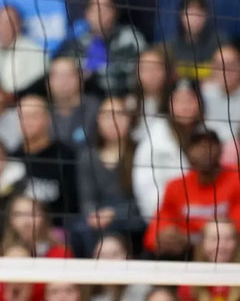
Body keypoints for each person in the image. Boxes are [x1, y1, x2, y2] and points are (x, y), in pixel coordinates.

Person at [143, 129, 240, 259]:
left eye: (210, 144)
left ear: (221, 149)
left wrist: (191, 239)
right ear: (188, 153)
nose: (204, 150)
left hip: (229, 252)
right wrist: (163, 237)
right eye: (197, 146)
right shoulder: (176, 186)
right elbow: (154, 232)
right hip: (186, 253)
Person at [71, 97, 144, 258]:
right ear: (98, 121)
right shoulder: (87, 156)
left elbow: (144, 200)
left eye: (118, 115)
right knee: (79, 230)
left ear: (129, 119)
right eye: (106, 116)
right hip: (98, 221)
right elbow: (86, 199)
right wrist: (94, 215)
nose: (113, 121)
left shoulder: (141, 152)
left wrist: (113, 214)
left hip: (131, 218)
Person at [133, 82, 206, 218]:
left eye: (190, 99)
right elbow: (146, 187)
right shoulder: (155, 138)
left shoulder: (209, 133)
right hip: (167, 215)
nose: (185, 106)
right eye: (178, 100)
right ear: (168, 104)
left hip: (206, 211)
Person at [56, 0, 147, 97]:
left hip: (123, 99)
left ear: (115, 12)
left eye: (105, 8)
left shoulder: (130, 38)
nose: (100, 14)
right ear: (86, 14)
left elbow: (131, 76)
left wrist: (91, 74)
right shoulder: (79, 41)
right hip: (87, 103)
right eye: (94, 9)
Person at [11, 95, 78, 227]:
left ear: (48, 119)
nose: (27, 121)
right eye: (22, 116)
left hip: (59, 233)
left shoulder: (65, 155)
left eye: (34, 116)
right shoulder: (12, 158)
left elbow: (73, 206)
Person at [177, 219, 240, 301]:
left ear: (237, 243)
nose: (221, 246)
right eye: (214, 239)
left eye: (228, 239)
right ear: (202, 244)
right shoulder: (188, 283)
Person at [167, 0, 227, 81]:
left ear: (206, 16)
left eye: (198, 14)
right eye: (189, 14)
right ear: (181, 16)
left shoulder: (221, 42)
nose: (194, 19)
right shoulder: (171, 45)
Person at [46, 55, 100, 149]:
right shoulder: (43, 113)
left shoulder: (96, 109)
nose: (63, 81)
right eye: (57, 76)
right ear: (48, 82)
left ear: (80, 79)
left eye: (69, 75)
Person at [130, 46, 176, 143]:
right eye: (145, 69)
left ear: (166, 71)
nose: (151, 74)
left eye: (156, 68)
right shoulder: (129, 105)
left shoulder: (176, 104)